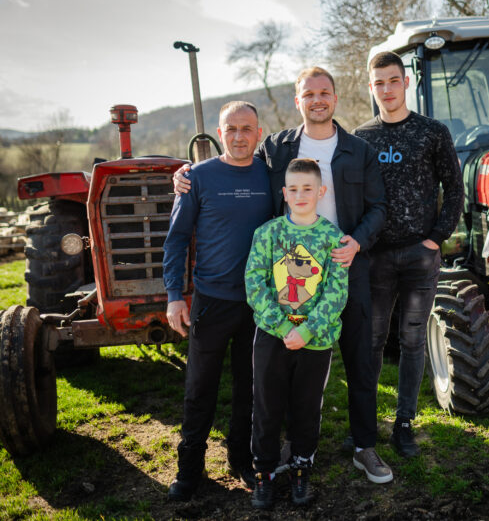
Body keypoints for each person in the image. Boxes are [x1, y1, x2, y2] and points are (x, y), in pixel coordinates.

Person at [174, 67, 392, 484]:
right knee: (291, 361)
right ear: (298, 101)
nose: (317, 100)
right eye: (309, 94)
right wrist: (187, 174)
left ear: (335, 98)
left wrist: (357, 242)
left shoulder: (357, 149)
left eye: (325, 92)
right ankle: (295, 445)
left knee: (360, 362)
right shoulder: (275, 147)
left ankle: (365, 446)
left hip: (345, 268)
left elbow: (378, 207)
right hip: (290, 277)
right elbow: (233, 160)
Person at [353, 51, 463, 458]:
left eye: (393, 81)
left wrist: (436, 237)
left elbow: (453, 188)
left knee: (413, 340)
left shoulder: (432, 132)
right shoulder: (361, 138)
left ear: (405, 83)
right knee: (372, 341)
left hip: (420, 256)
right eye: (379, 82)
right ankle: (364, 423)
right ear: (371, 88)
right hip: (376, 258)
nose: (387, 89)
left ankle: (404, 423)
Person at [163, 101, 273, 501]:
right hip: (211, 301)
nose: (240, 136)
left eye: (247, 129)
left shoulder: (271, 174)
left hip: (259, 304)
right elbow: (176, 239)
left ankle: (241, 459)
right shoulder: (198, 177)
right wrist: (175, 296)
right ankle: (190, 469)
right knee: (199, 388)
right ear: (219, 133)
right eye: (231, 129)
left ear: (259, 133)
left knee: (250, 387)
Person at [245, 158, 348, 509]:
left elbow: (336, 293)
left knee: (307, 407)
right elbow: (255, 285)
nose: (301, 194)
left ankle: (302, 468)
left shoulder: (334, 238)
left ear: (321, 192)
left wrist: (307, 330)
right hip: (273, 337)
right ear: (284, 193)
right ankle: (265, 474)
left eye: (308, 188)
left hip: (316, 341)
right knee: (266, 406)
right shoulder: (268, 234)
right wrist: (286, 326)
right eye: (294, 189)